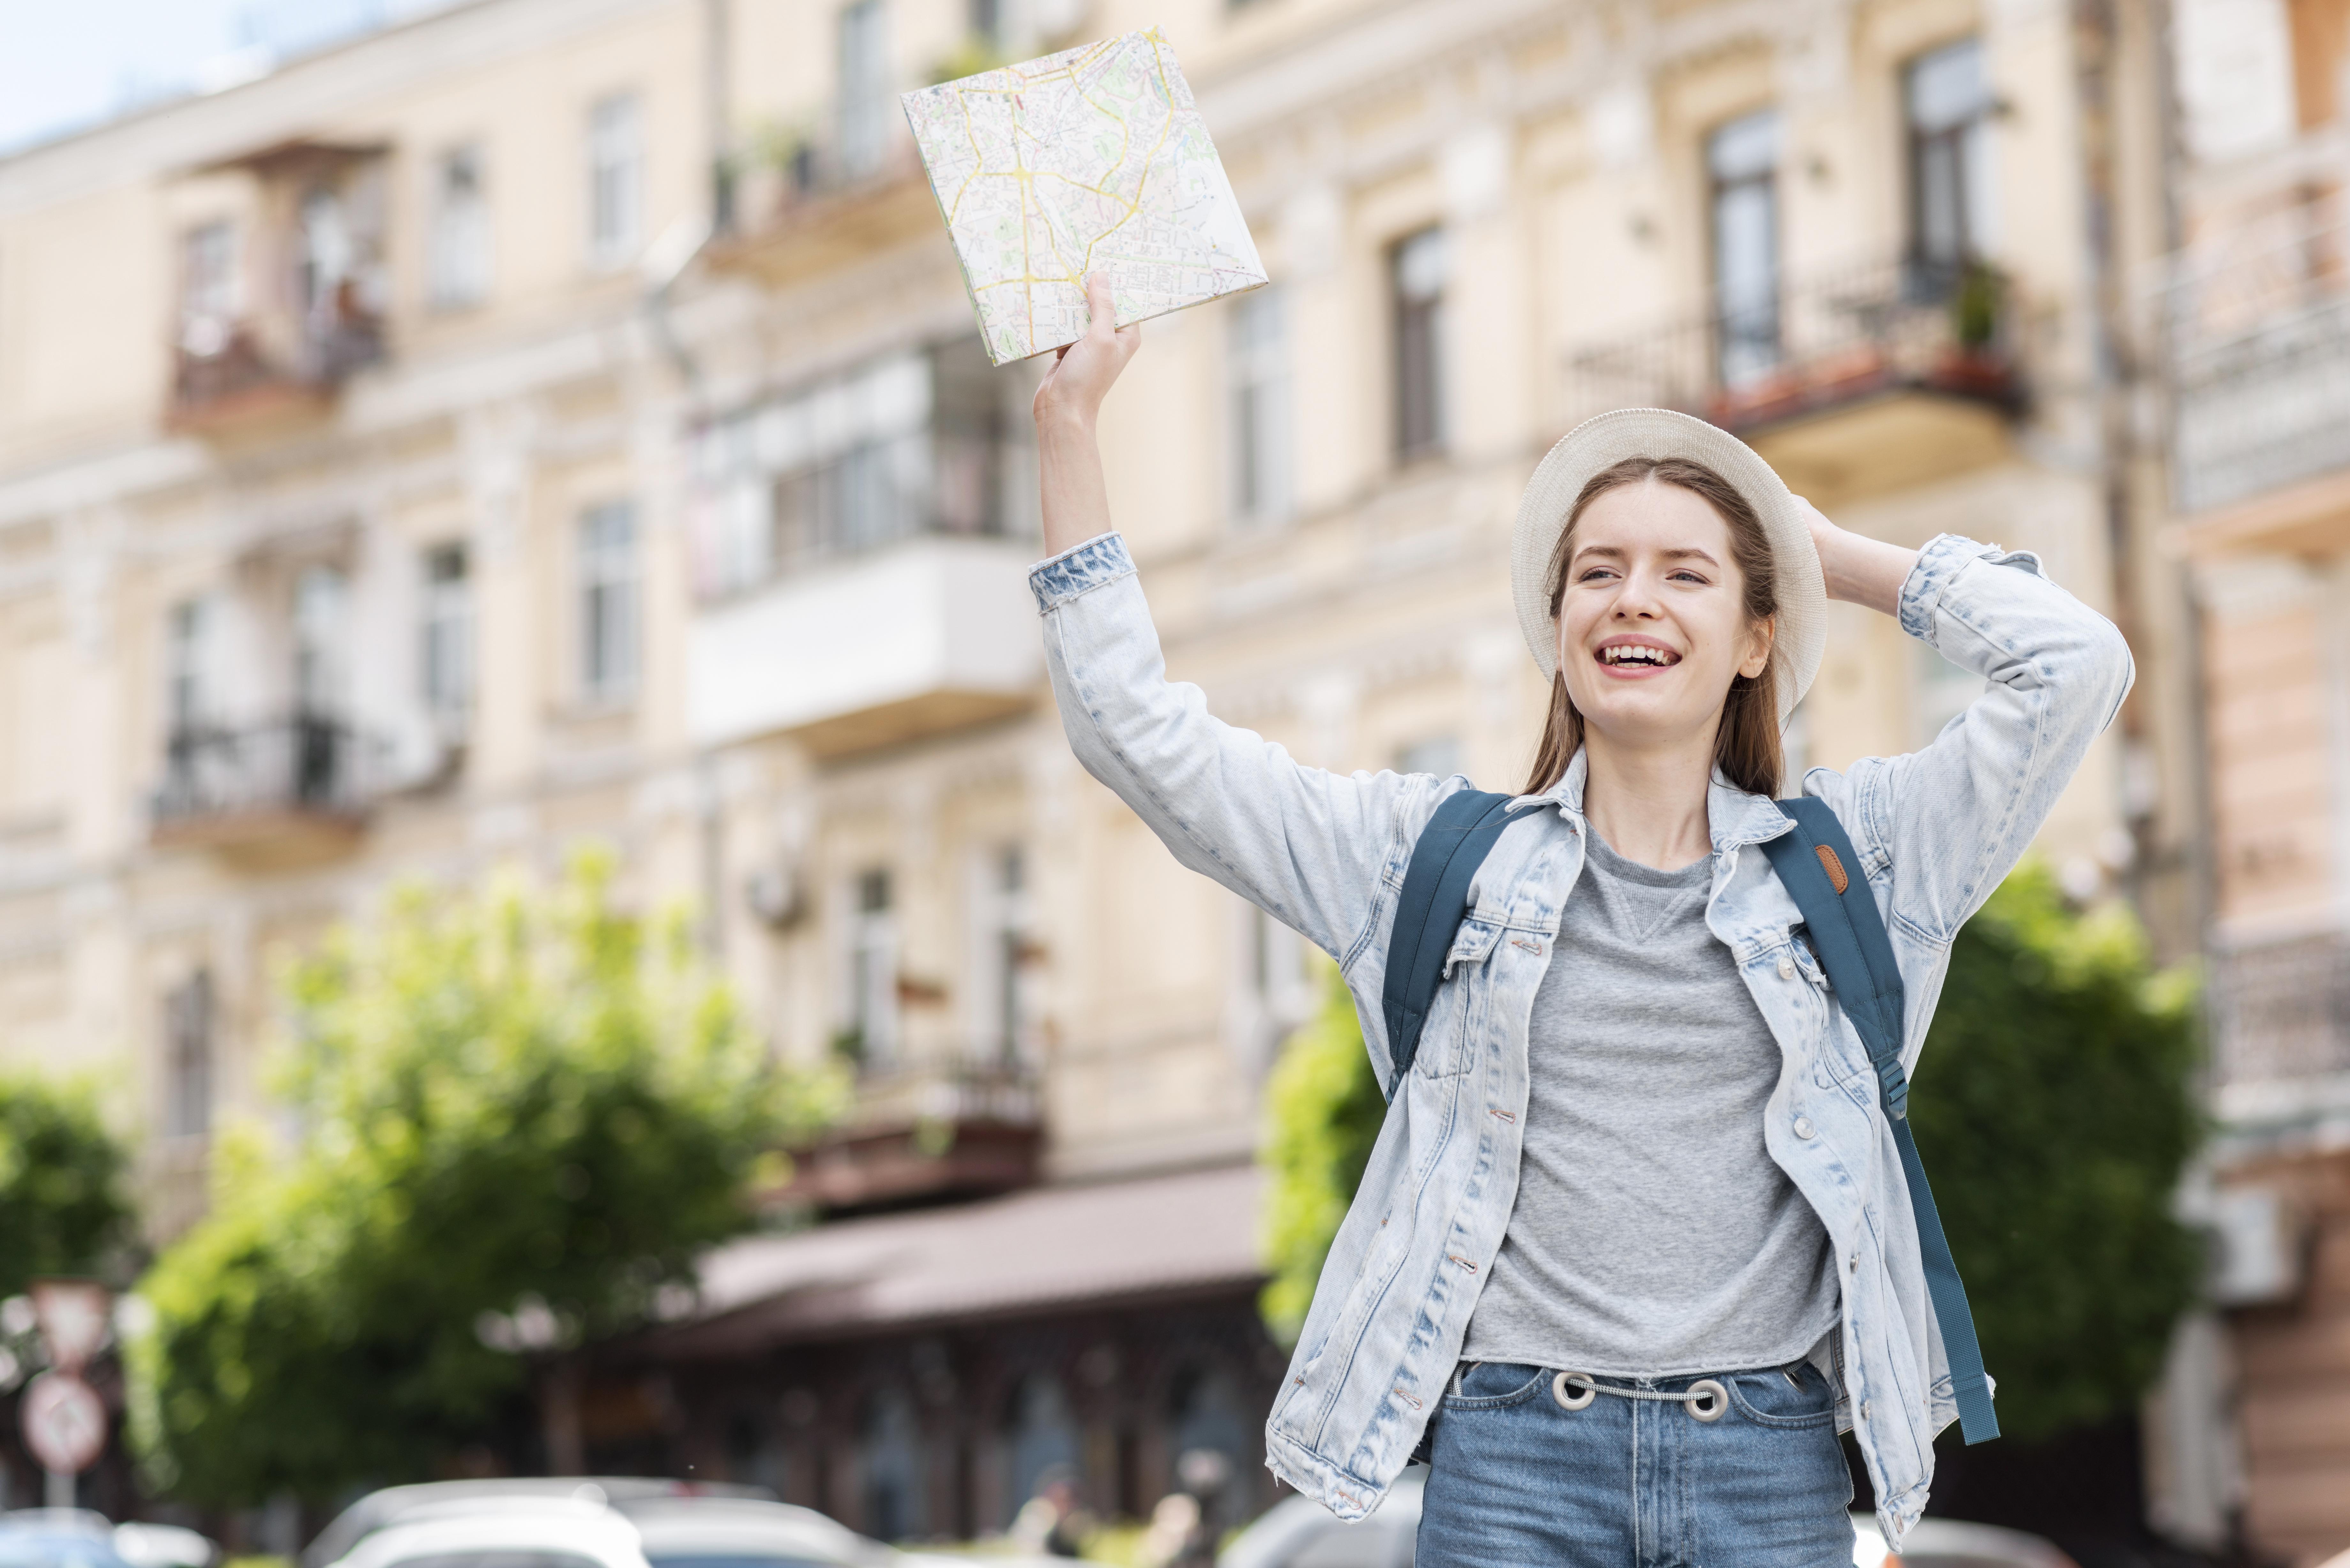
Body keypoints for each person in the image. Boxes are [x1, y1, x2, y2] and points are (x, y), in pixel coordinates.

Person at [1024, 275, 2132, 1567]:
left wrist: (1813, 546)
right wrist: (1067, 425)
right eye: (1595, 572)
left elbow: (2076, 665)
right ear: (1557, 632)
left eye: (1685, 574)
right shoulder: (1422, 859)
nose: (1632, 598)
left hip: (1769, 1469)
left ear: (1755, 636)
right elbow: (1134, 732)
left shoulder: (1869, 863)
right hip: (1513, 1468)